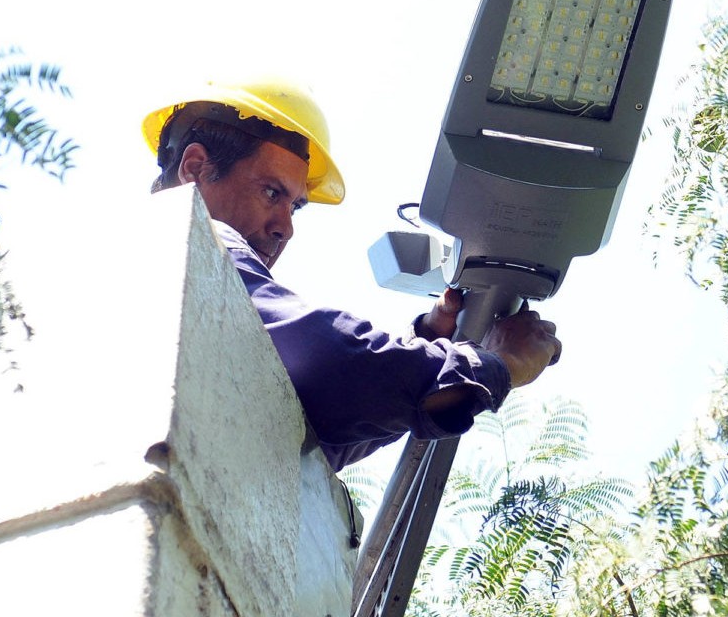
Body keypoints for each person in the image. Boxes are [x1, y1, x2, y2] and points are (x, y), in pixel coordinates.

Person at [144, 78, 562, 470]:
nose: (285, 228)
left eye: (295, 208)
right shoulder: (183, 245)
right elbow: (332, 363)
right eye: (272, 192)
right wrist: (500, 364)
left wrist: (430, 339)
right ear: (195, 169)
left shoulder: (199, 331)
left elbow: (309, 438)